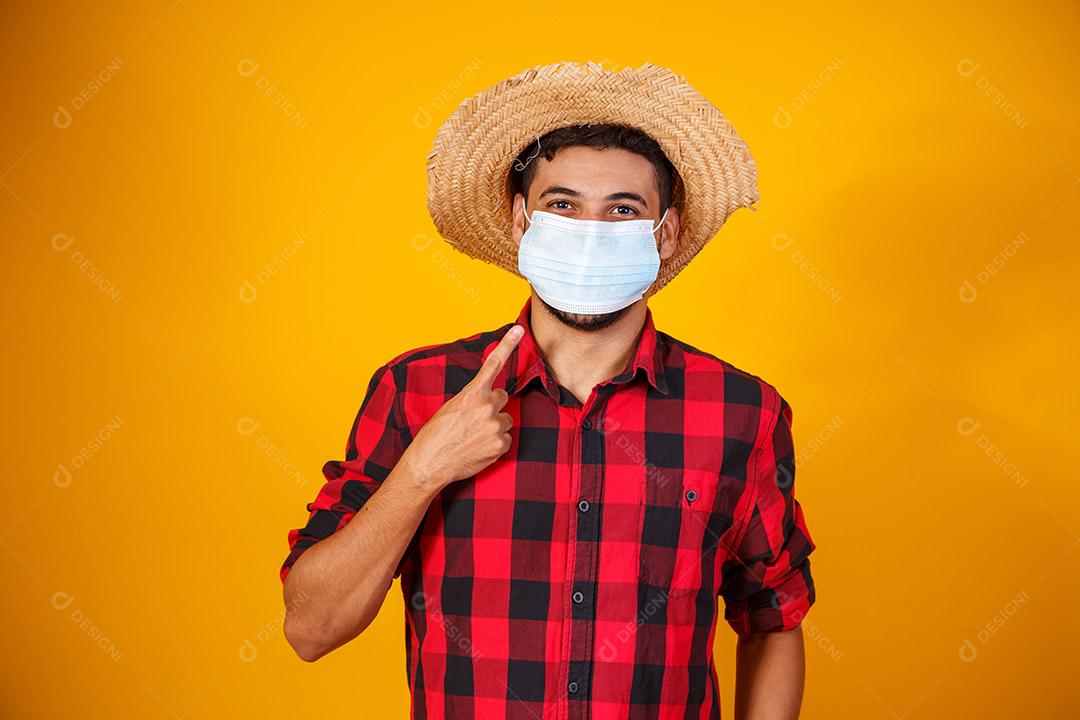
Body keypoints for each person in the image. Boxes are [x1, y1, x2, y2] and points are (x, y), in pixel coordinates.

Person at [280, 61, 817, 720]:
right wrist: (424, 468)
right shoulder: (417, 389)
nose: (591, 231)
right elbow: (311, 628)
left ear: (666, 232)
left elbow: (772, 621)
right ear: (520, 221)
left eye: (623, 209)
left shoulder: (743, 412)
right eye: (562, 205)